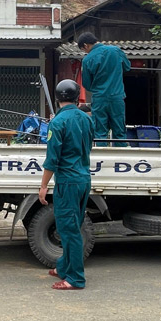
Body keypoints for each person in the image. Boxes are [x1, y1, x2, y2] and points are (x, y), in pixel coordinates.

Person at [38, 79, 95, 290]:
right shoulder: (87, 119)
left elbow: (52, 159)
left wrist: (43, 186)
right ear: (77, 98)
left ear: (57, 98)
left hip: (68, 181)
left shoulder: (57, 122)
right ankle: (64, 267)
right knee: (73, 226)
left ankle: (75, 278)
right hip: (83, 178)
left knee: (68, 230)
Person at [78, 32, 131, 147]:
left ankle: (101, 157)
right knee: (119, 131)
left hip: (99, 99)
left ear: (86, 45)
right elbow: (127, 67)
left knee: (100, 132)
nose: (85, 52)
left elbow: (86, 84)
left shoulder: (87, 60)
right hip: (117, 97)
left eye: (83, 50)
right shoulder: (116, 51)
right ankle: (121, 155)